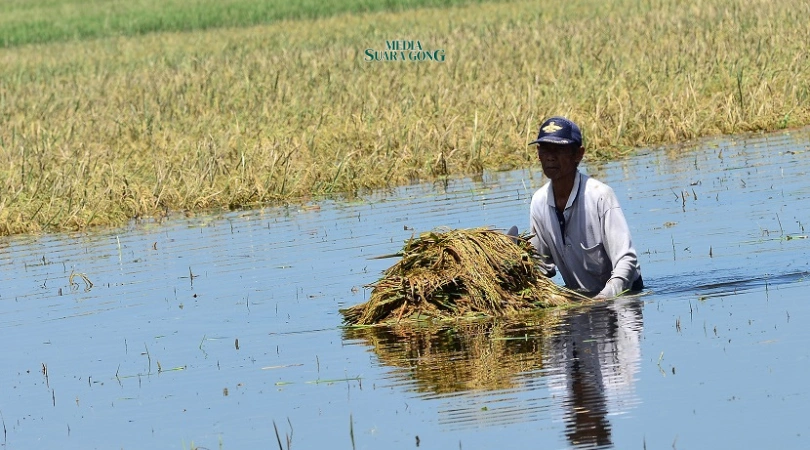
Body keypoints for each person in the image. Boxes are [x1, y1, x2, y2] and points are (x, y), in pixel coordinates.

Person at [527, 116, 643, 298]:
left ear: (578, 155)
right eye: (545, 150)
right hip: (584, 300)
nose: (550, 157)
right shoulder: (539, 202)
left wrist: (603, 299)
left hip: (624, 296)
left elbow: (626, 260)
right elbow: (540, 266)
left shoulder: (600, 196)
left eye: (558, 150)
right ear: (538, 154)